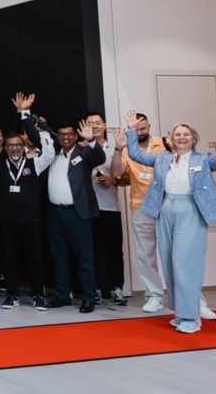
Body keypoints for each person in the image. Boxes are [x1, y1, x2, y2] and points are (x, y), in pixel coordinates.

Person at [121, 108, 216, 333]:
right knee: (169, 263)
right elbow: (135, 154)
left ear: (194, 138)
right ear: (171, 138)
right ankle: (180, 312)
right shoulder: (163, 158)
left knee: (186, 265)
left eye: (186, 134)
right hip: (164, 209)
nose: (181, 137)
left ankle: (192, 318)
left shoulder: (203, 159)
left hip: (190, 210)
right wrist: (131, 130)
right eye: (177, 134)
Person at [110, 112, 216, 319]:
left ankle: (196, 301)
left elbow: (186, 160)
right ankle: (155, 295)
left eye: (143, 127)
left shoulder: (165, 144)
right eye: (136, 128)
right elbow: (116, 173)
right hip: (141, 205)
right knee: (145, 254)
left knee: (183, 257)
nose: (140, 132)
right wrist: (118, 148)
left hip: (169, 204)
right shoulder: (128, 146)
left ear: (149, 125)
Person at [0, 111, 55, 310]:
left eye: (18, 145)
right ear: (5, 147)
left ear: (23, 147)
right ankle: (12, 295)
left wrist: (44, 133)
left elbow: (49, 154)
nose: (14, 148)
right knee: (10, 258)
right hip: (9, 220)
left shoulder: (34, 164)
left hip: (32, 219)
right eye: (11, 145)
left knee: (36, 258)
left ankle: (38, 294)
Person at [45, 117, 106, 313]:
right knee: (58, 256)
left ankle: (88, 297)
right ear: (58, 137)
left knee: (84, 258)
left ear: (75, 135)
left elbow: (100, 159)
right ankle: (63, 295)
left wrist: (92, 140)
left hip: (78, 213)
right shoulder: (52, 154)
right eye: (62, 134)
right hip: (56, 212)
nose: (65, 138)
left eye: (69, 134)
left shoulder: (85, 152)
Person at [84, 112, 127, 306]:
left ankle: (117, 288)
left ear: (104, 125)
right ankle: (95, 288)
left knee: (114, 250)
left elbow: (119, 173)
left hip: (110, 207)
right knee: (92, 250)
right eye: (90, 123)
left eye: (97, 122)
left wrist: (114, 180)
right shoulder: (81, 148)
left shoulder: (114, 147)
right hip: (87, 208)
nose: (94, 125)